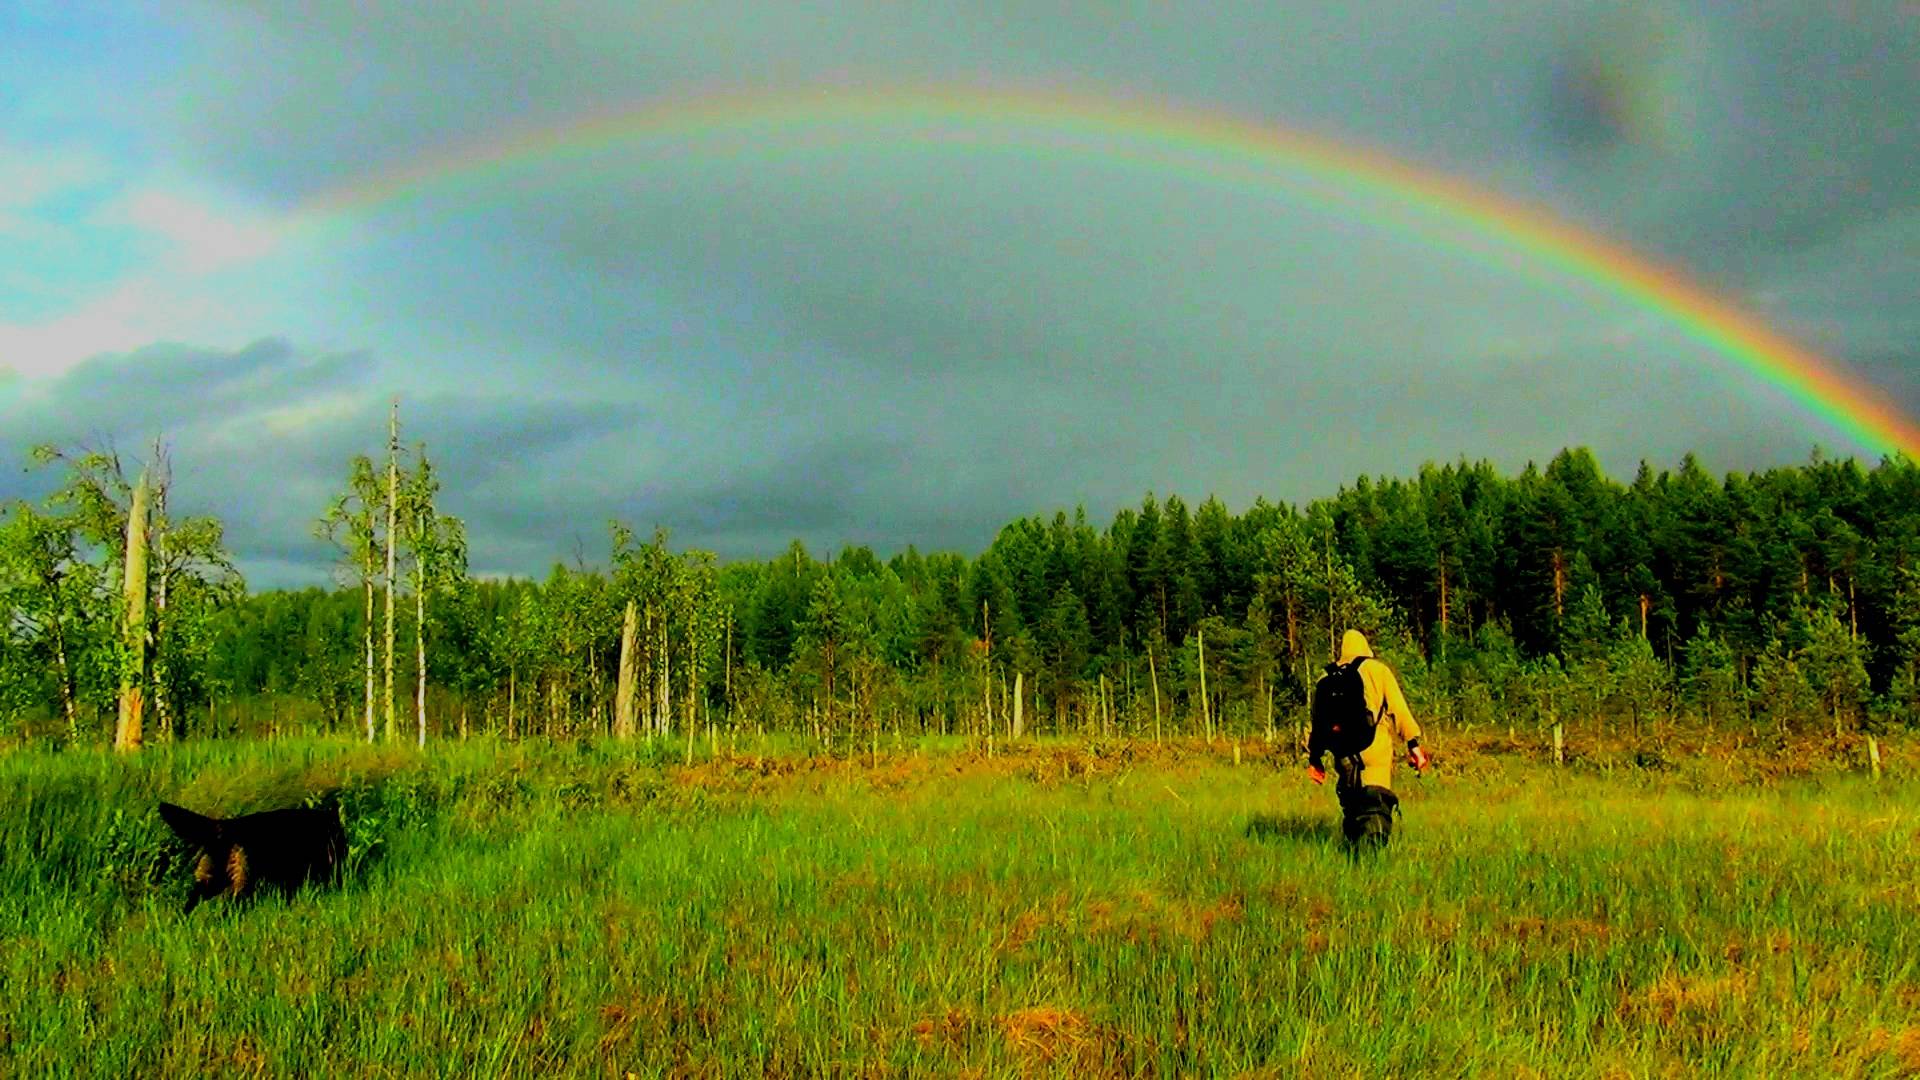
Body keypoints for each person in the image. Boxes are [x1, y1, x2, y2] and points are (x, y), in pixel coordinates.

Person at [1307, 629, 1430, 848]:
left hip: (1343, 753)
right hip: (1374, 750)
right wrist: (1414, 745)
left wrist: (1315, 759)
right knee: (1375, 806)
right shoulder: (1377, 670)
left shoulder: (1325, 677)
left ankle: (1354, 855)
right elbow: (1399, 710)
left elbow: (1317, 723)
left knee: (1352, 808)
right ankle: (1371, 858)